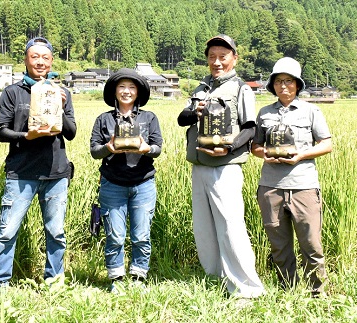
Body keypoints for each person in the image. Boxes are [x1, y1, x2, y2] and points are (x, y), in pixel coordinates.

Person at [177, 34, 265, 299]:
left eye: (222, 57)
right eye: (212, 57)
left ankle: (247, 288)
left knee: (230, 225)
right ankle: (216, 278)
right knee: (204, 226)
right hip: (199, 165)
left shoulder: (241, 88)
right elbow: (183, 119)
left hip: (226, 167)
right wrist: (196, 110)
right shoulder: (201, 88)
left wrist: (229, 148)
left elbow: (250, 129)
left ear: (234, 58)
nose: (217, 62)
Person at [0, 37, 77, 294]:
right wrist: (27, 136)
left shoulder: (62, 93)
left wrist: (60, 106)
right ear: (26, 60)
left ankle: (54, 282)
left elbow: (71, 133)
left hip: (56, 173)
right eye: (34, 56)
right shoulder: (12, 93)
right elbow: (2, 132)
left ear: (51, 62)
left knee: (56, 233)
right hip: (20, 173)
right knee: (7, 233)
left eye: (45, 57)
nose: (40, 61)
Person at [251, 57, 332, 298]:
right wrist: (264, 154)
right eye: (278, 81)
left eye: (288, 81)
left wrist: (301, 155)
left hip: (304, 187)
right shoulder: (264, 113)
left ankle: (319, 293)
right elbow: (255, 145)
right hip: (270, 187)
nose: (283, 86)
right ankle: (288, 291)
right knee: (279, 245)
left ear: (297, 84)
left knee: (311, 244)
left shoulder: (311, 111)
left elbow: (326, 144)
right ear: (272, 85)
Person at [90, 68, 162, 293]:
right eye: (122, 87)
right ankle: (116, 278)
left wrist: (146, 148)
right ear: (114, 91)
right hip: (112, 184)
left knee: (141, 235)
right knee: (115, 235)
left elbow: (158, 148)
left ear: (138, 92)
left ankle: (139, 276)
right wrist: (108, 148)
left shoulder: (149, 118)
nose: (126, 91)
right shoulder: (104, 119)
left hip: (143, 183)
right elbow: (94, 151)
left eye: (132, 87)